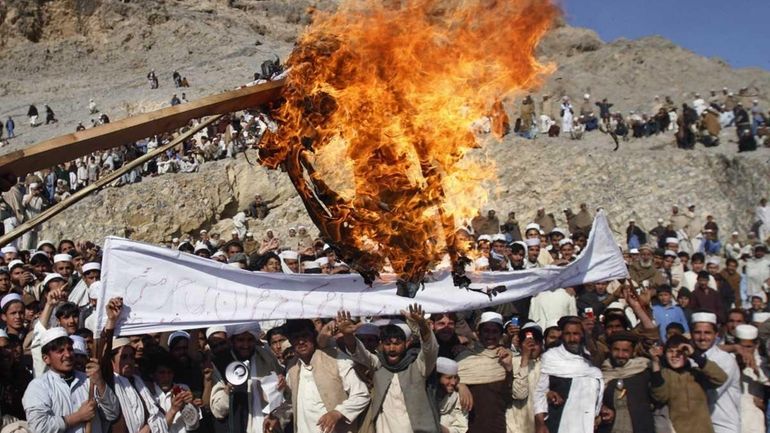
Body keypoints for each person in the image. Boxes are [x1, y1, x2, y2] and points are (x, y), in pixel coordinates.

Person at [339, 304, 441, 433]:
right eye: (387, 344)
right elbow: (360, 353)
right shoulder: (378, 365)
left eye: (397, 344)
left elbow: (430, 349)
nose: (392, 349)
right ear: (381, 345)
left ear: (406, 344)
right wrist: (348, 335)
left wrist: (423, 326)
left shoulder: (418, 365)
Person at [270, 318, 370, 433]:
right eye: (296, 338)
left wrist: (338, 412)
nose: (301, 342)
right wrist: (276, 417)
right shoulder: (292, 368)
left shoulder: (335, 358)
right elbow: (292, 403)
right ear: (291, 342)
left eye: (304, 336)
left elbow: (361, 394)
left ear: (313, 336)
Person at [22, 327, 120, 433]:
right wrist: (78, 417)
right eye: (60, 351)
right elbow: (39, 428)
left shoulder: (89, 380)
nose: (68, 355)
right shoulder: (38, 387)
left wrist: (100, 382)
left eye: (69, 349)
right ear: (46, 358)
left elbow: (112, 414)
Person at [535, 316, 604, 433]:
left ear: (582, 335)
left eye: (576, 334)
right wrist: (540, 424)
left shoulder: (589, 358)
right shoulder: (551, 357)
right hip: (559, 423)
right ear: (562, 335)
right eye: (568, 334)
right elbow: (539, 393)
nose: (572, 339)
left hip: (585, 424)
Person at [210, 322, 283, 433]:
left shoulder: (266, 357)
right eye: (240, 340)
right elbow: (218, 411)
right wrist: (227, 391)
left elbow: (283, 397)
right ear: (232, 341)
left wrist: (281, 386)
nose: (246, 345)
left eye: (250, 340)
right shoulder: (221, 364)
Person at [650, 334, 727, 433]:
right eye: (670, 351)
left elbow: (720, 378)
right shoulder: (664, 375)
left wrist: (695, 355)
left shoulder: (696, 374)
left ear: (687, 354)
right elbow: (660, 396)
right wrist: (655, 363)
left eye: (679, 352)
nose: (674, 355)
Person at [457, 312, 512, 433]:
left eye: (495, 331)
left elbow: (510, 396)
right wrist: (459, 384)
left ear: (501, 334)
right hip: (469, 427)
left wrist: (508, 368)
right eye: (486, 331)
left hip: (497, 426)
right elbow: (447, 381)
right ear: (478, 333)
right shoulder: (464, 358)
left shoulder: (507, 357)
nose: (490, 335)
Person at [691, 311, 741, 433]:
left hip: (723, 426)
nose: (702, 338)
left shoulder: (726, 360)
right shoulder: (686, 358)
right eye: (698, 332)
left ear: (716, 334)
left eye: (707, 333)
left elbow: (710, 393)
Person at [598, 331, 655, 433]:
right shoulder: (603, 373)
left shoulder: (643, 370)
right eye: (616, 350)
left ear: (633, 352)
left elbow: (659, 396)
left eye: (625, 350)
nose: (620, 355)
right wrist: (603, 408)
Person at [509, 322, 543, 433]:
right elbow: (520, 394)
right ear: (520, 344)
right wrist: (524, 360)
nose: (532, 347)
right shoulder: (512, 362)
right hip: (516, 427)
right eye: (527, 343)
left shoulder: (547, 365)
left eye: (535, 343)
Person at [435, 357, 468, 433]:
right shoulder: (427, 396)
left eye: (455, 377)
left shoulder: (459, 398)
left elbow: (462, 429)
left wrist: (439, 429)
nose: (453, 382)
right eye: (449, 378)